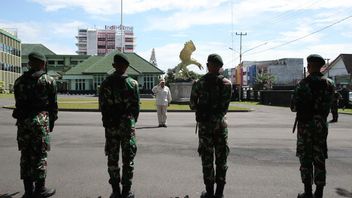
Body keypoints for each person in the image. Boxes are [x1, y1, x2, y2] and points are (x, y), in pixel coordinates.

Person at [12, 52, 58, 198]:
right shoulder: (48, 81)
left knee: (25, 155)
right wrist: (51, 123)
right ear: (42, 63)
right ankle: (40, 188)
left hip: (23, 122)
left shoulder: (19, 81)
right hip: (40, 121)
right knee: (40, 155)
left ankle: (28, 190)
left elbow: (18, 104)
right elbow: (53, 106)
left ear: (30, 63)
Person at [290, 54, 335, 198]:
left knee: (306, 158)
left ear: (310, 66)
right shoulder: (329, 84)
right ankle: (319, 192)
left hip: (305, 127)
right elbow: (333, 104)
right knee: (319, 158)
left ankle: (307, 192)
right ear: (321, 66)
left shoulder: (303, 84)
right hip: (321, 125)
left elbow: (293, 107)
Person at [189, 54, 232, 198]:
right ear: (220, 67)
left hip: (205, 127)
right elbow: (225, 107)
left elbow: (192, 105)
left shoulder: (199, 83)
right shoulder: (227, 84)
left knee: (207, 159)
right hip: (220, 126)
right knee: (221, 159)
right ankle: (219, 193)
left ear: (208, 65)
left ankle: (209, 192)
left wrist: (203, 110)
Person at [99, 53, 140, 198]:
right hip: (127, 124)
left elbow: (102, 106)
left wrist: (107, 122)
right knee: (128, 158)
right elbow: (136, 107)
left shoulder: (105, 83)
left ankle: (115, 191)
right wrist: (131, 121)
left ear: (114, 66)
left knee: (112, 158)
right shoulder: (132, 83)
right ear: (127, 67)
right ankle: (126, 190)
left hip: (111, 124)